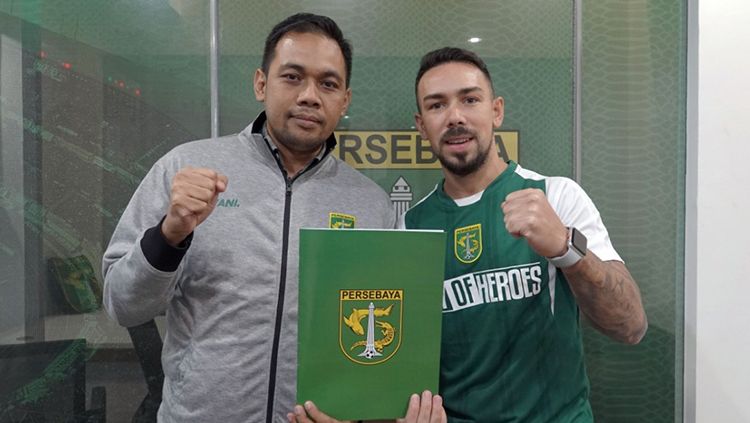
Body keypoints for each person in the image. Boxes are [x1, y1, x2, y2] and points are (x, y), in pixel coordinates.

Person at [102, 13, 408, 423]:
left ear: (345, 100)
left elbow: (378, 336)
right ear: (261, 83)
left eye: (328, 83)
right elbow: (122, 305)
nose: (310, 96)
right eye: (293, 77)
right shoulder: (186, 168)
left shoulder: (370, 203)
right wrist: (170, 234)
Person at [400, 47, 648, 422]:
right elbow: (403, 356)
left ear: (496, 111)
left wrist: (567, 249)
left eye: (470, 99)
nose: (454, 117)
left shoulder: (558, 196)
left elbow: (630, 326)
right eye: (437, 106)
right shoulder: (411, 226)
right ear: (421, 126)